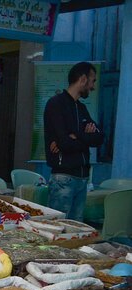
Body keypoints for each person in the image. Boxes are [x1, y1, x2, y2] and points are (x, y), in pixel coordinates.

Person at [43, 61, 104, 221]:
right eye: (93, 81)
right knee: (57, 229)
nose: (93, 86)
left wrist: (75, 135)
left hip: (82, 178)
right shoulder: (56, 104)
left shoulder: (82, 108)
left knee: (76, 230)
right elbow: (64, 143)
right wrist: (83, 136)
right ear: (83, 79)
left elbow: (99, 138)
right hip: (64, 177)